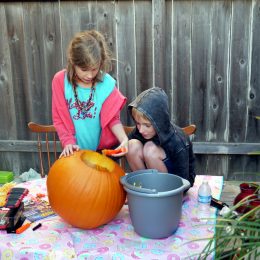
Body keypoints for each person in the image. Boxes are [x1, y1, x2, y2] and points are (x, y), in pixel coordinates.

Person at [52, 30, 128, 157]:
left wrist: (124, 139)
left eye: (94, 69)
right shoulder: (60, 82)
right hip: (74, 152)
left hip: (102, 153)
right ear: (73, 62)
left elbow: (113, 119)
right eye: (84, 69)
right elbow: (59, 119)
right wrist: (68, 142)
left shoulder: (107, 84)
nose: (89, 75)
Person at [126, 87, 196, 187]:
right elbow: (121, 150)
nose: (141, 130)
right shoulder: (140, 130)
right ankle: (143, 186)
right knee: (131, 145)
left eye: (147, 125)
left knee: (150, 149)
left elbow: (184, 180)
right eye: (138, 123)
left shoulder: (177, 140)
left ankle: (161, 191)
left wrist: (175, 193)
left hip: (176, 182)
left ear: (158, 122)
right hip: (150, 176)